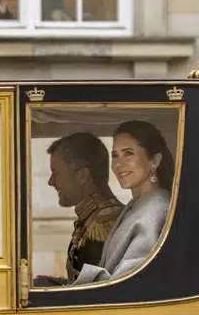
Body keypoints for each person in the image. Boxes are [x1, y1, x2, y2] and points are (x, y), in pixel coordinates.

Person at [73, 120, 173, 285]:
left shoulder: (156, 211)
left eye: (128, 153)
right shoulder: (138, 204)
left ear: (154, 161)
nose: (119, 164)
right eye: (115, 155)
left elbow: (128, 282)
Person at [33, 132, 123, 287]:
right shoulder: (93, 218)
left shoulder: (104, 223)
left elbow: (96, 294)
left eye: (56, 173)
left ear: (82, 176)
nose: (50, 182)